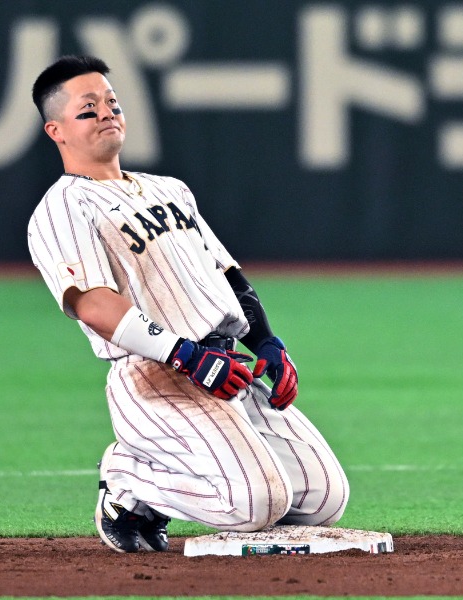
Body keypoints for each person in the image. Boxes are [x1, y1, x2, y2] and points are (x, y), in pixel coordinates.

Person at [27, 55, 349, 553]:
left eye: (112, 102)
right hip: (155, 376)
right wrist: (185, 355)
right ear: (56, 131)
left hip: (226, 369)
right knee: (256, 504)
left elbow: (228, 274)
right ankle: (127, 478)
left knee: (324, 499)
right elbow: (93, 305)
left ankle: (182, 473)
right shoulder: (63, 207)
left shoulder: (169, 189)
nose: (107, 113)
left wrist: (266, 342)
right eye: (88, 109)